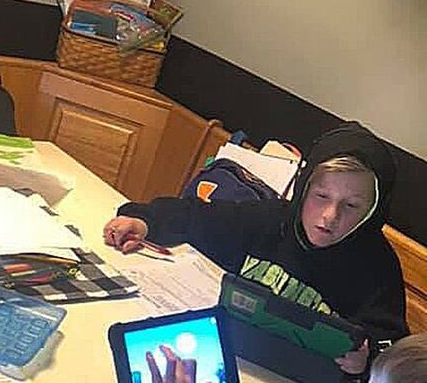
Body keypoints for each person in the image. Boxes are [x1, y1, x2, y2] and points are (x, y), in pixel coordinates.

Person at [104, 121, 409, 376]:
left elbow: (393, 348)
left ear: (373, 212)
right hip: (231, 358)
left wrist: (367, 359)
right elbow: (195, 217)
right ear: (303, 189)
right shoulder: (270, 219)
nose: (330, 216)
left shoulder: (377, 267)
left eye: (351, 206)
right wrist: (144, 221)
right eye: (321, 196)